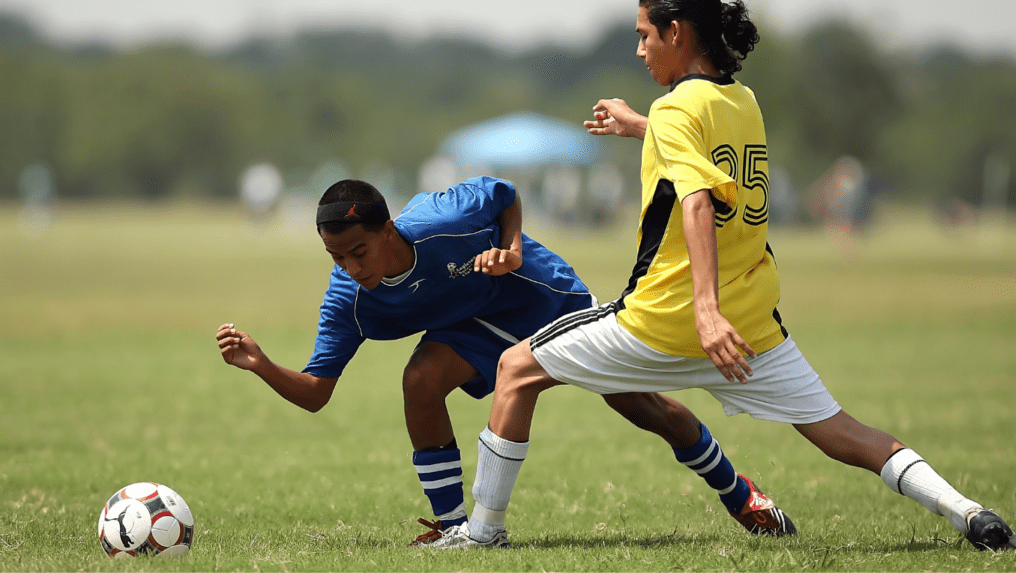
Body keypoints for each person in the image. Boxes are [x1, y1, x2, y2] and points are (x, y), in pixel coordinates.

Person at [436, 0, 1016, 552]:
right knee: (844, 432)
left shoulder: (674, 109)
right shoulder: (742, 101)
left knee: (516, 371)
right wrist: (639, 126)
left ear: (676, 33)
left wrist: (704, 309)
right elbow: (699, 148)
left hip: (666, 319)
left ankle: (482, 533)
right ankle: (966, 510)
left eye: (644, 36)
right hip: (750, 330)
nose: (639, 50)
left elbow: (696, 199)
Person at [214, 175, 792, 546]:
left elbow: (506, 194)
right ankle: (454, 527)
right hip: (470, 329)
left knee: (637, 404)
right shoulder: (351, 300)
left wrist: (512, 250)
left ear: (388, 228)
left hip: (539, 294)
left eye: (359, 251)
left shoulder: (444, 218)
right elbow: (317, 390)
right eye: (336, 257)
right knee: (419, 380)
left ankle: (740, 495)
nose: (351, 267)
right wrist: (262, 364)